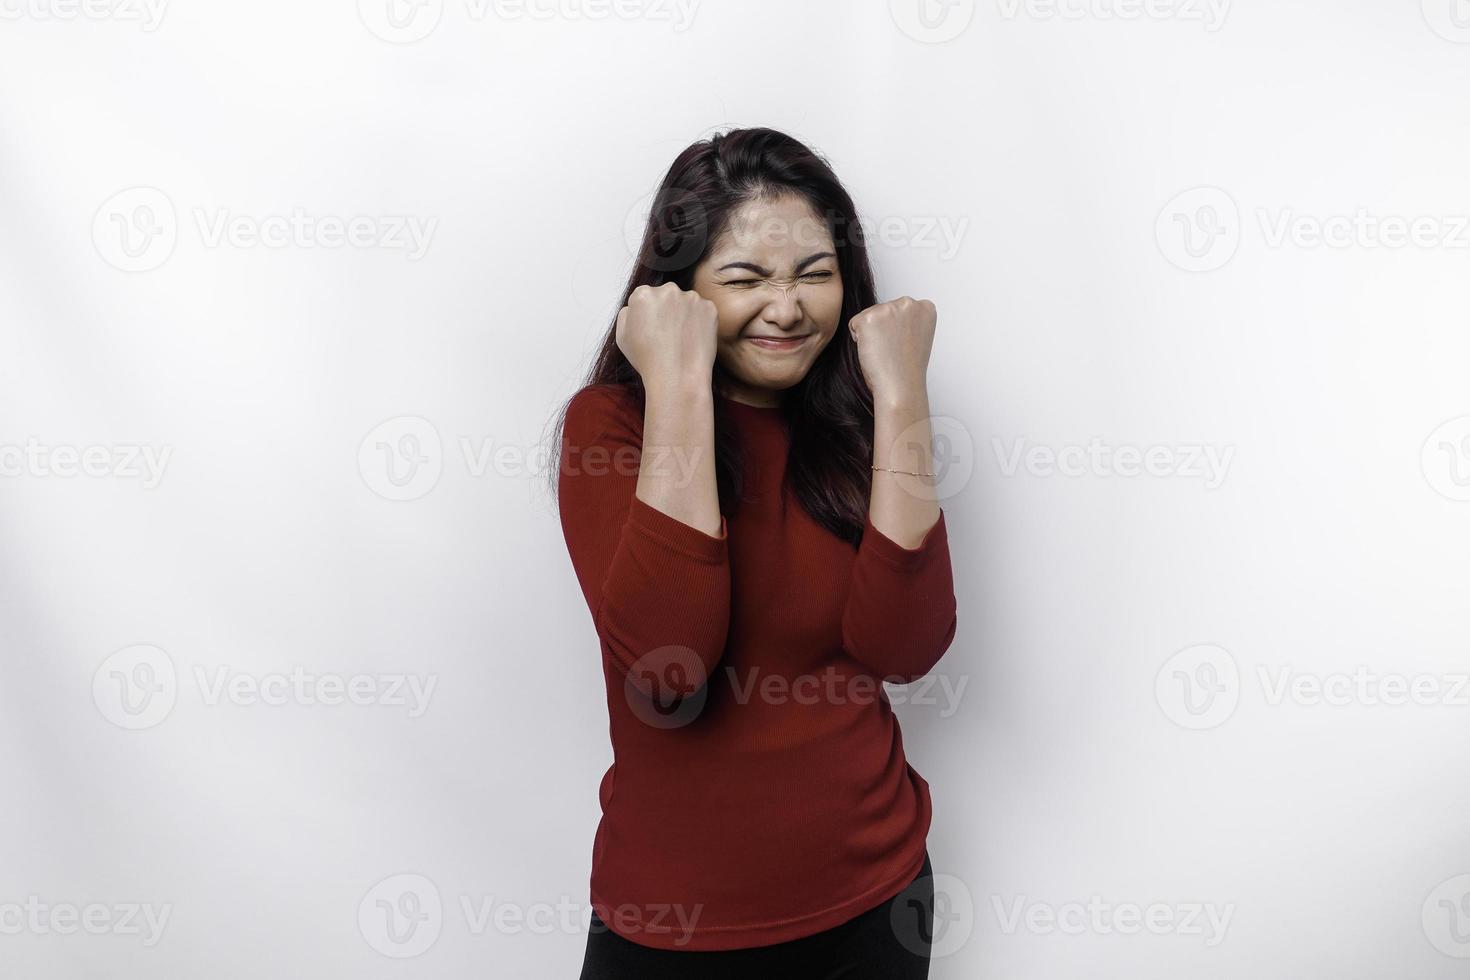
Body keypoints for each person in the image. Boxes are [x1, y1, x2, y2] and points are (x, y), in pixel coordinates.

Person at [550, 127, 958, 979]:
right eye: (744, 278)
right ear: (682, 292)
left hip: (877, 898)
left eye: (815, 274)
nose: (788, 307)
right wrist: (677, 386)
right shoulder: (611, 427)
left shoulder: (858, 423)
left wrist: (904, 397)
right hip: (675, 926)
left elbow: (904, 647)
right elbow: (672, 670)